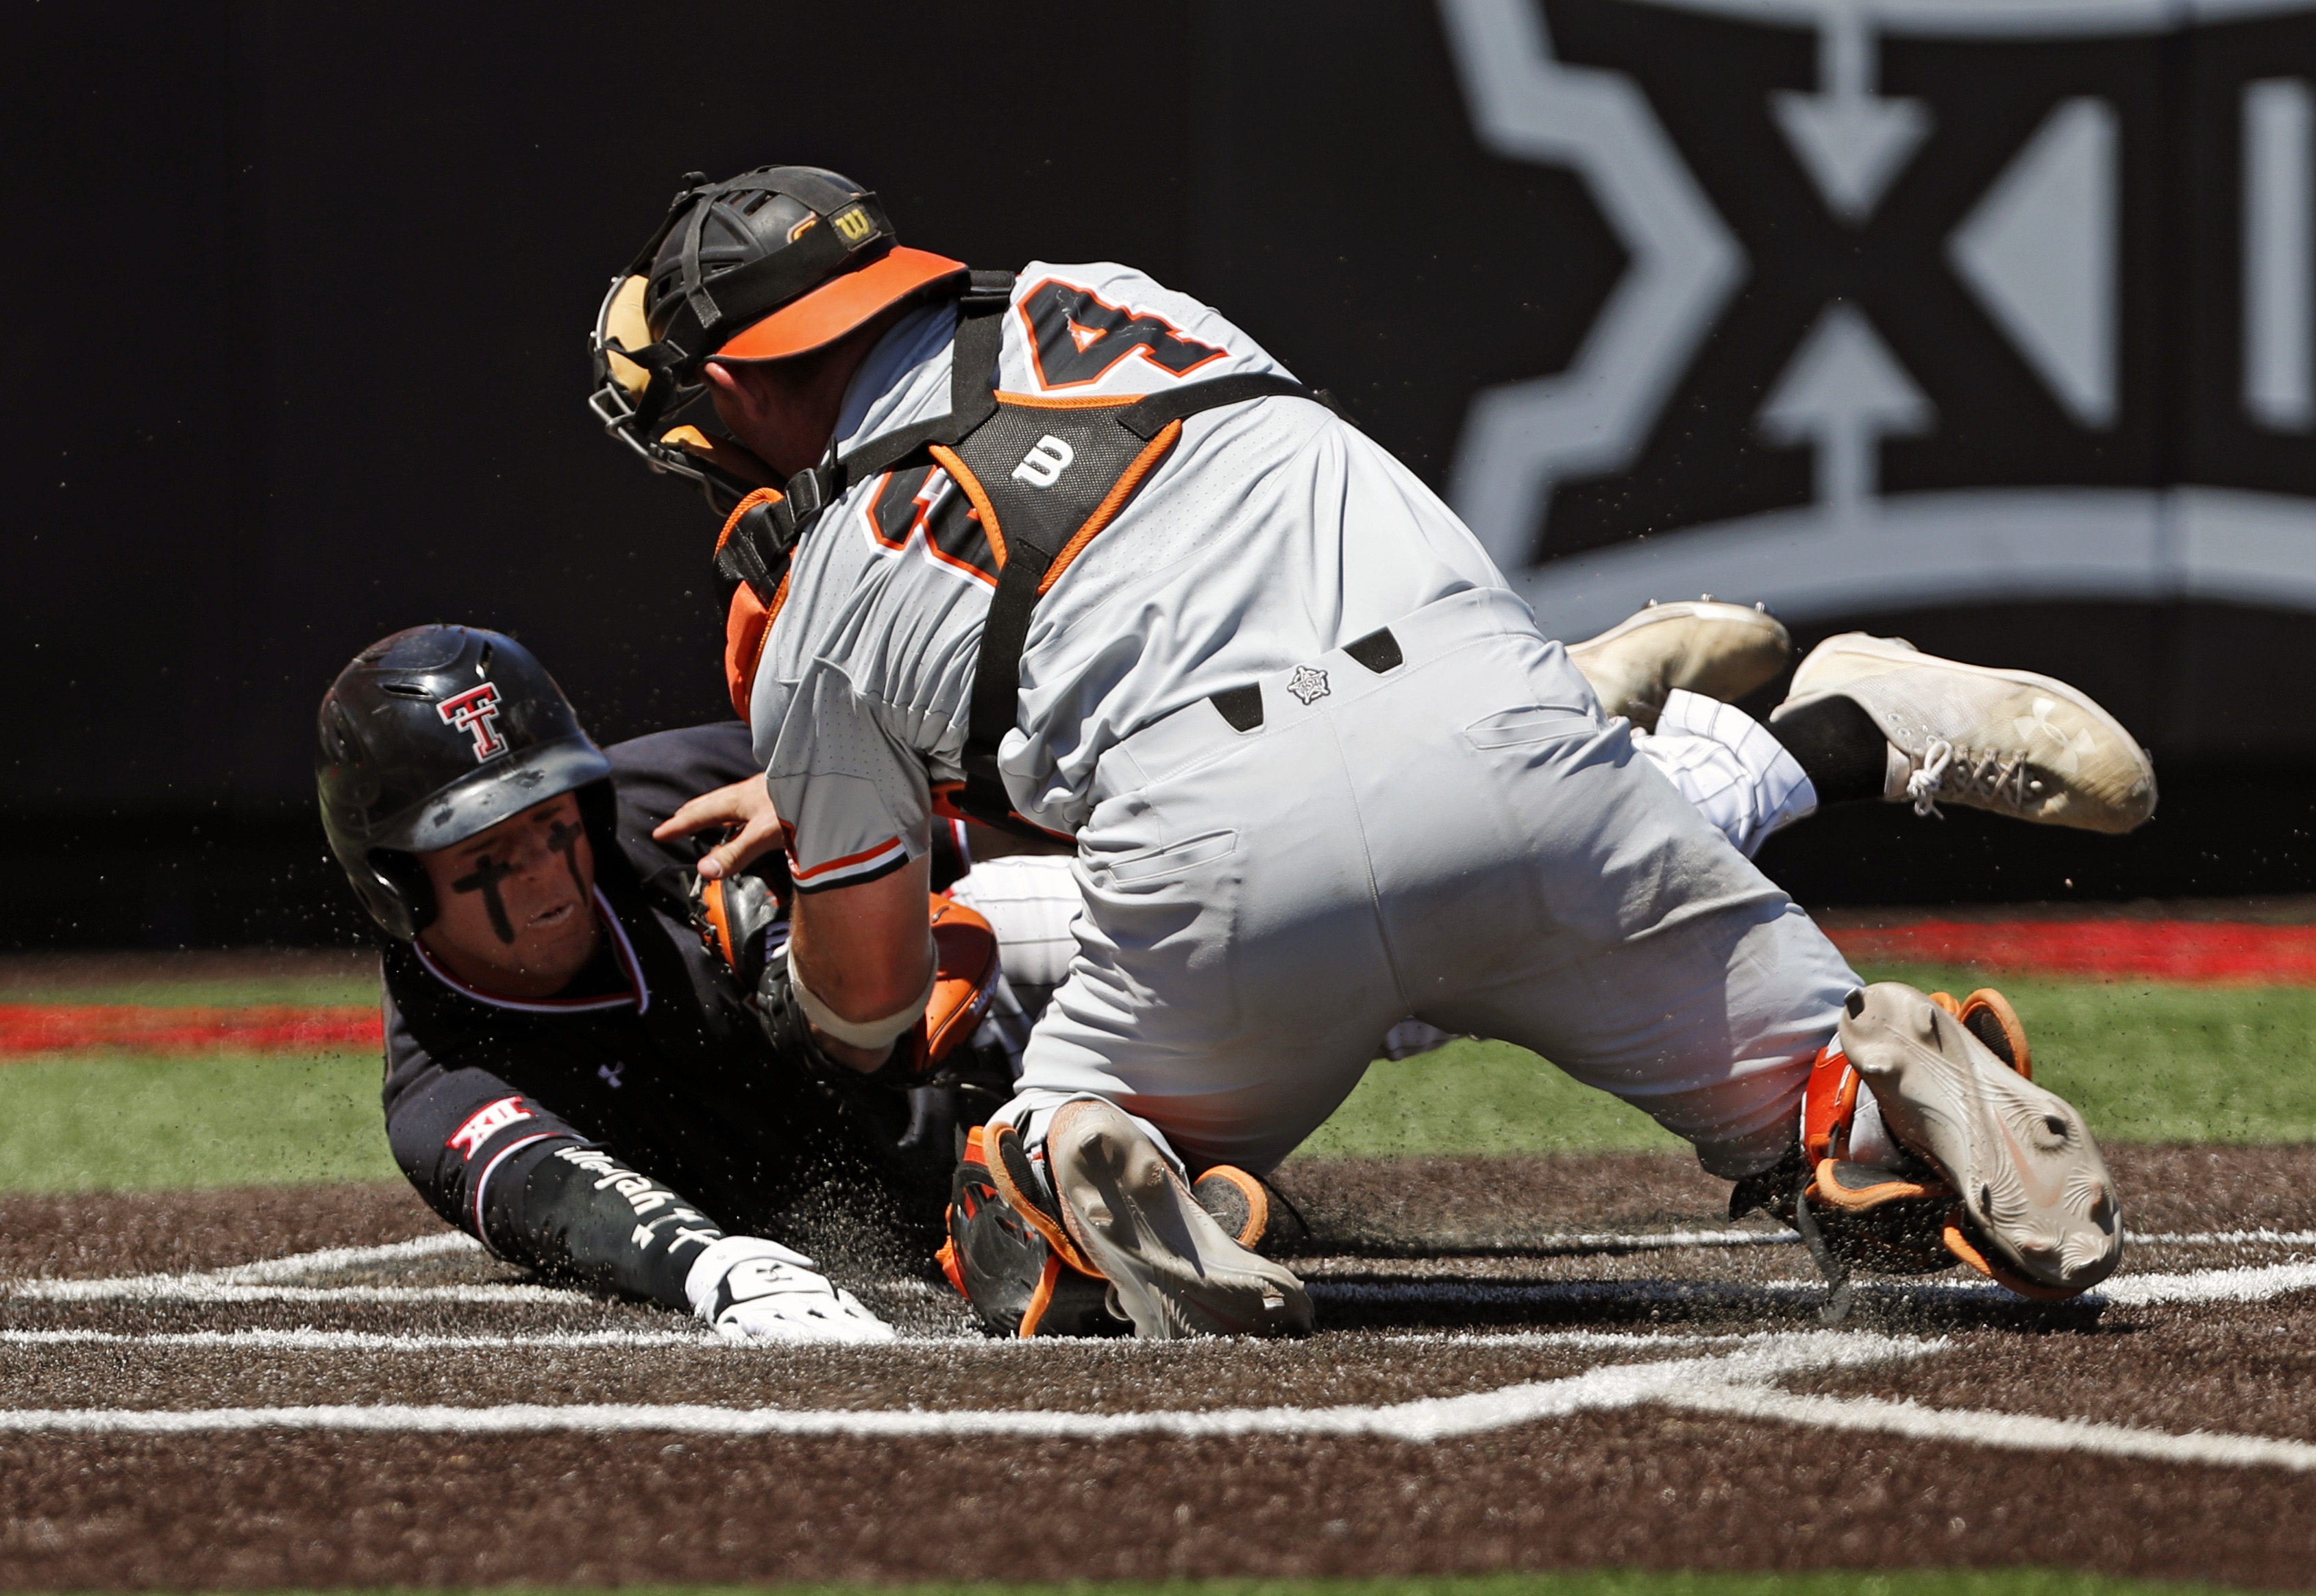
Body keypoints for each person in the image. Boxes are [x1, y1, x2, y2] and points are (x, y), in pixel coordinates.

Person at [586, 166, 2155, 1339]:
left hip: (1225, 855)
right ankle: (1862, 1097)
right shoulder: (1117, 297)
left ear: (727, 383)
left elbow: (864, 1010)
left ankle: (1080, 1146)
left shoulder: (815, 618)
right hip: (1518, 731)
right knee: (1828, 1156)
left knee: (1017, 1153)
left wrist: (819, 893)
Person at [316, 623, 1024, 1343]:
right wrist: (718, 1267)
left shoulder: (674, 792)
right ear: (396, 883)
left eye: (552, 817)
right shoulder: (444, 1080)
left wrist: (847, 807)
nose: (542, 866)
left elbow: (1020, 816)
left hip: (1024, 1033)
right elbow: (558, 1191)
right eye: (488, 849)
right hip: (973, 1215)